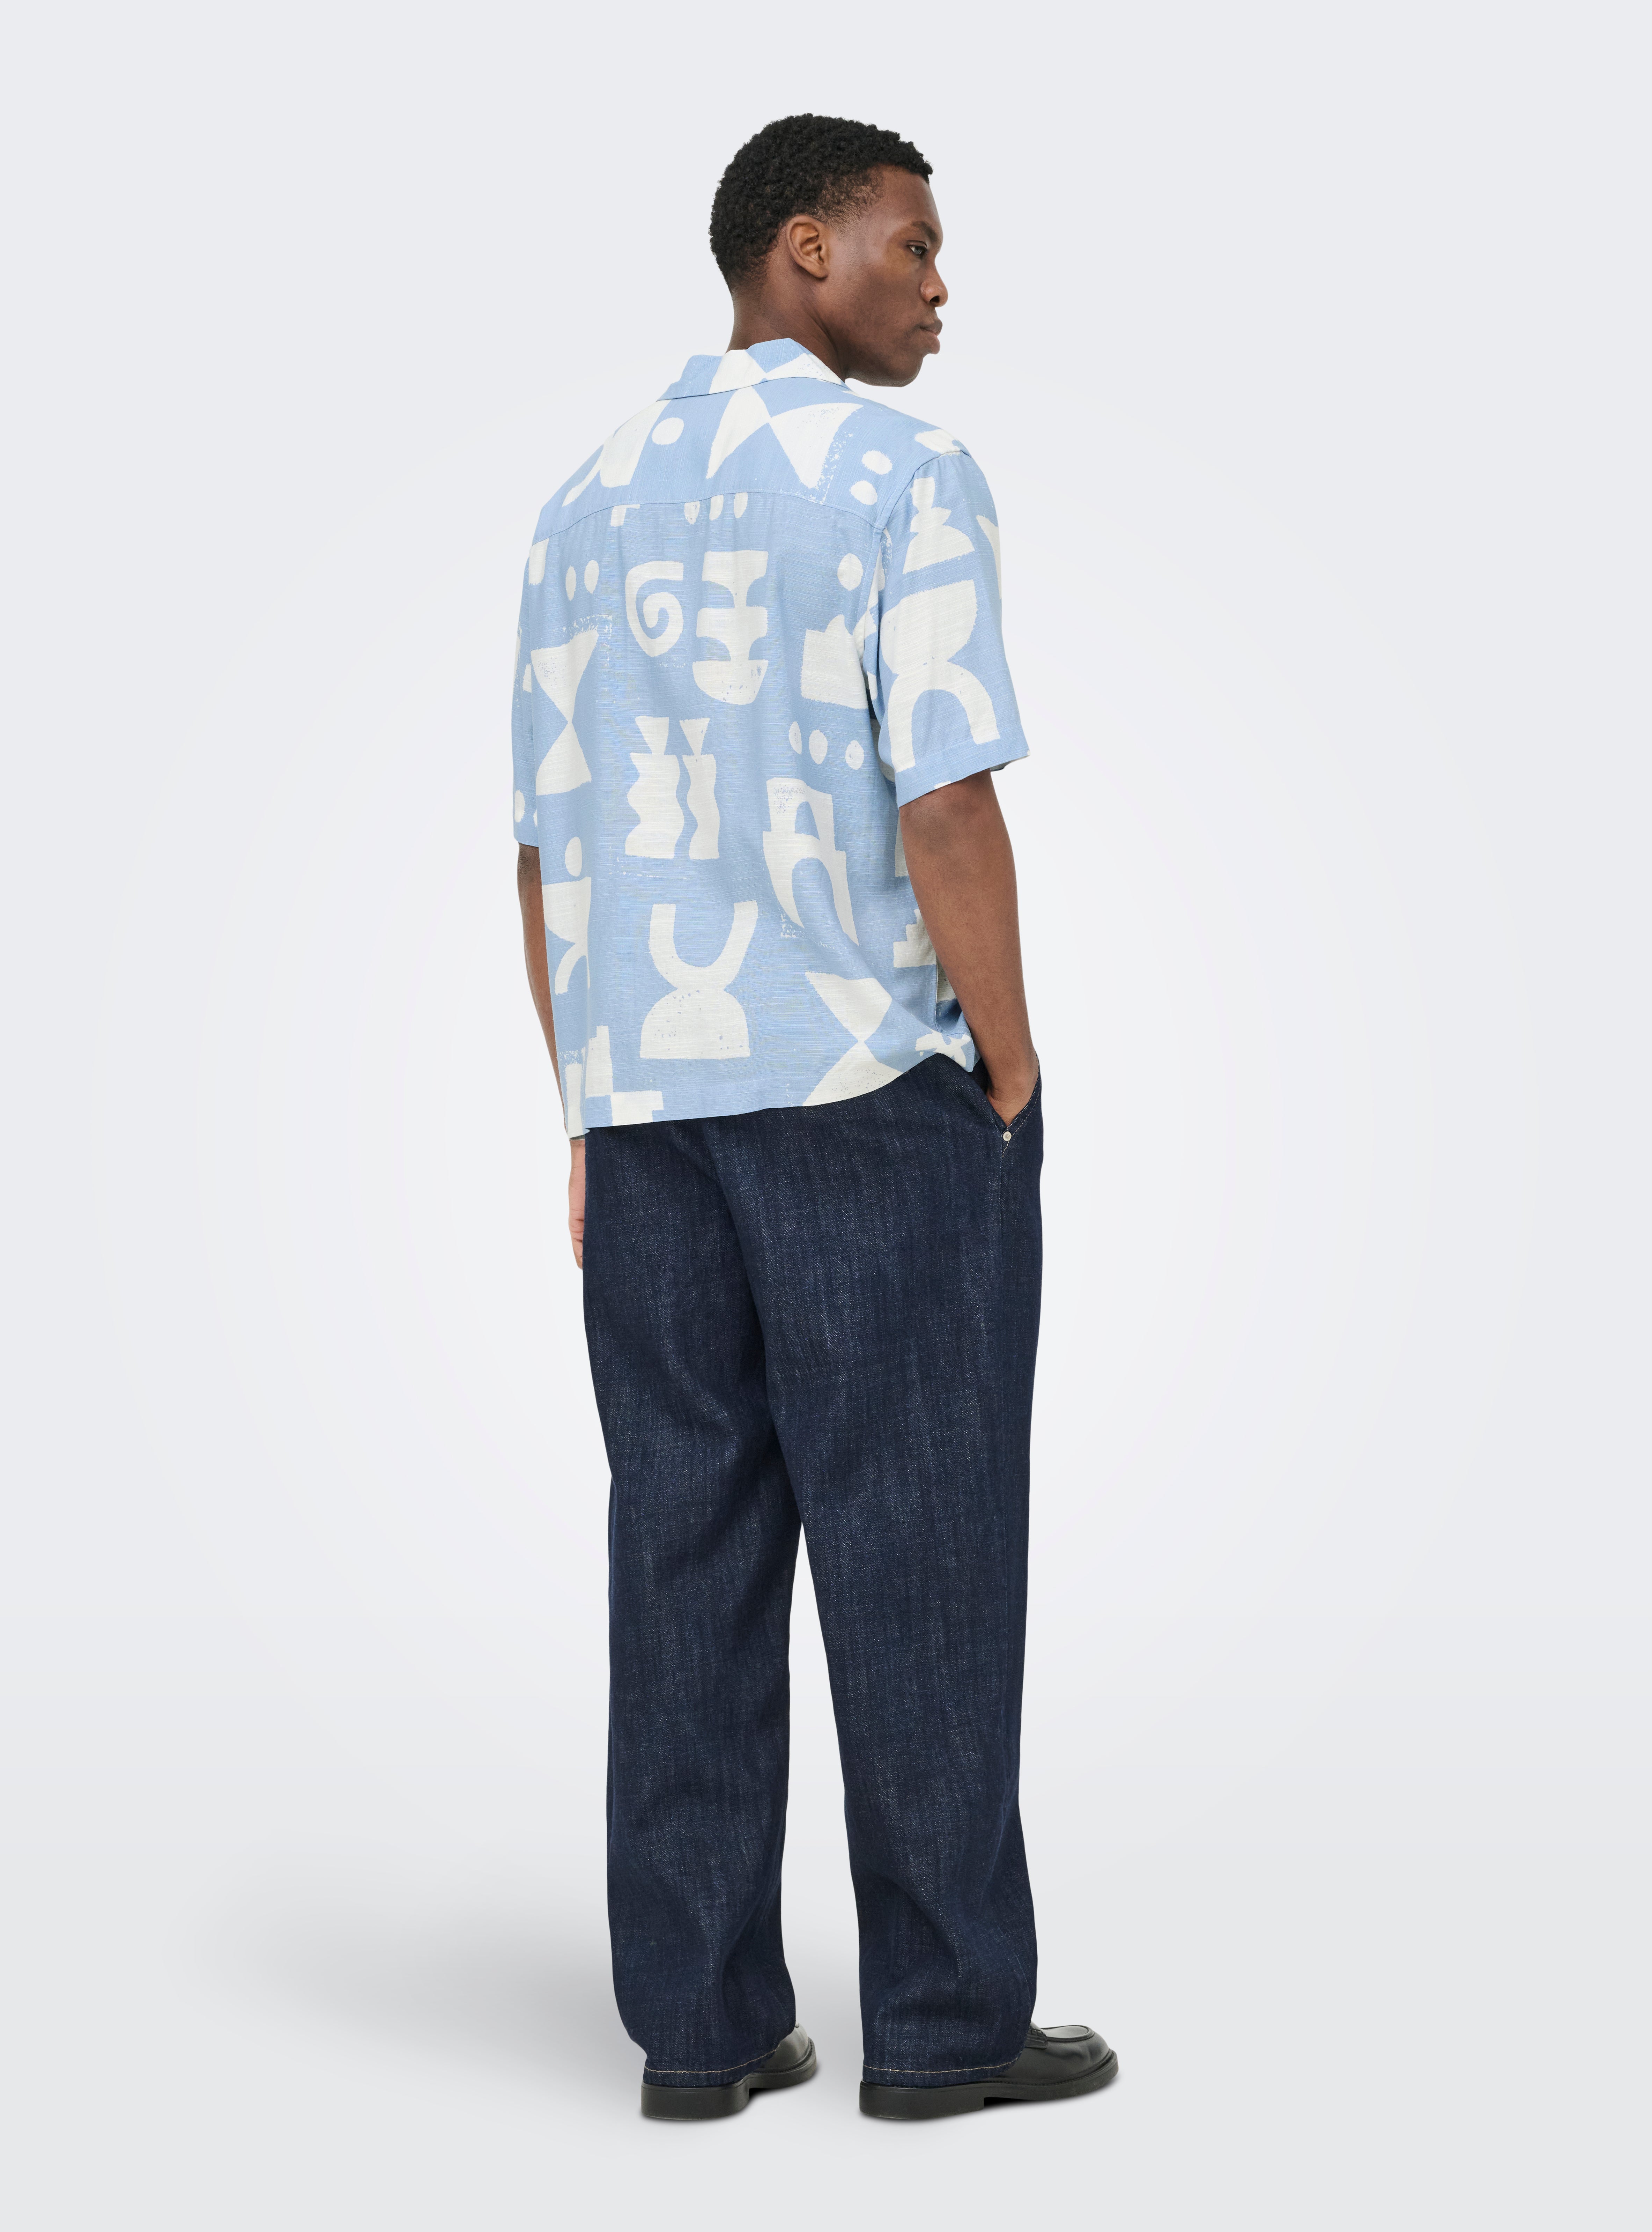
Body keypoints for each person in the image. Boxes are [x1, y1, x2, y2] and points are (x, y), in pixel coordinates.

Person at [511, 113, 1115, 2123]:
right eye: (910, 245)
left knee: (681, 1551)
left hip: (650, 1111)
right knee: (921, 1545)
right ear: (803, 251)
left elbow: (545, 850)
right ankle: (943, 2025)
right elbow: (944, 794)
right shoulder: (901, 473)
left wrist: (589, 1108)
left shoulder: (582, 502)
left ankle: (697, 2028)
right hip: (868, 1094)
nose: (940, 285)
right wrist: (1010, 1058)